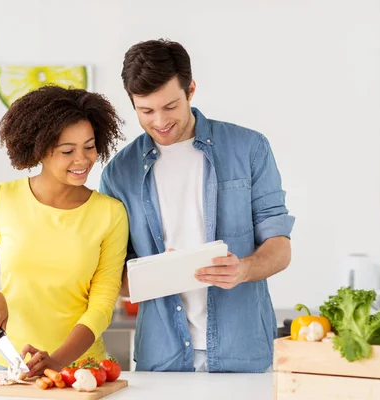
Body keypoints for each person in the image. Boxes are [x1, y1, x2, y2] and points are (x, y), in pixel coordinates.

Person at [99, 39, 295, 373]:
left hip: (243, 351)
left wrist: (243, 269)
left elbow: (280, 247)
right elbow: (112, 277)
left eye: (170, 106)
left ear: (190, 90)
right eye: (146, 111)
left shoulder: (249, 148)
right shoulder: (119, 172)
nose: (160, 121)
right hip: (163, 358)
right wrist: (157, 274)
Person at [0, 85, 128, 377]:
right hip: (6, 365)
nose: (82, 160)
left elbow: (102, 304)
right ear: (39, 149)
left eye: (89, 146)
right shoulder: (3, 198)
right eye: (67, 150)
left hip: (79, 372)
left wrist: (56, 361)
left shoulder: (110, 213)